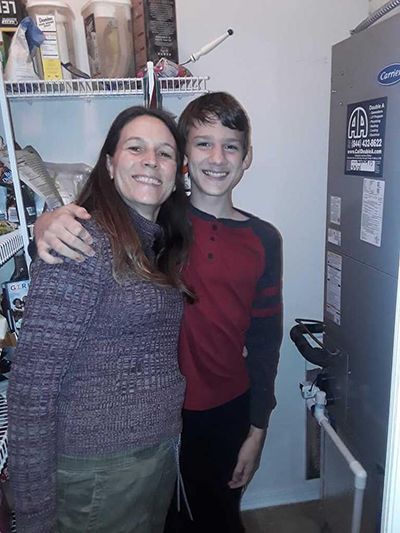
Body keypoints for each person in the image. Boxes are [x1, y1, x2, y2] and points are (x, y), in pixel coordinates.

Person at [34, 92, 283, 533]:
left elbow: (265, 342)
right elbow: (100, 224)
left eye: (231, 146)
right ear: (184, 158)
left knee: (219, 518)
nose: (217, 157)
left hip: (228, 410)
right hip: (157, 416)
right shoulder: (157, 223)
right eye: (203, 143)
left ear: (246, 157)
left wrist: (258, 428)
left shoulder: (264, 239)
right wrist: (47, 222)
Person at [8, 106, 193, 533]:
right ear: (109, 164)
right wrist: (34, 514)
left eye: (165, 153)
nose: (151, 161)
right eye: (136, 148)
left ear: (176, 174)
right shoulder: (82, 242)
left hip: (150, 456)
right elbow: (32, 386)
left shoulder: (155, 242)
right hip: (100, 474)